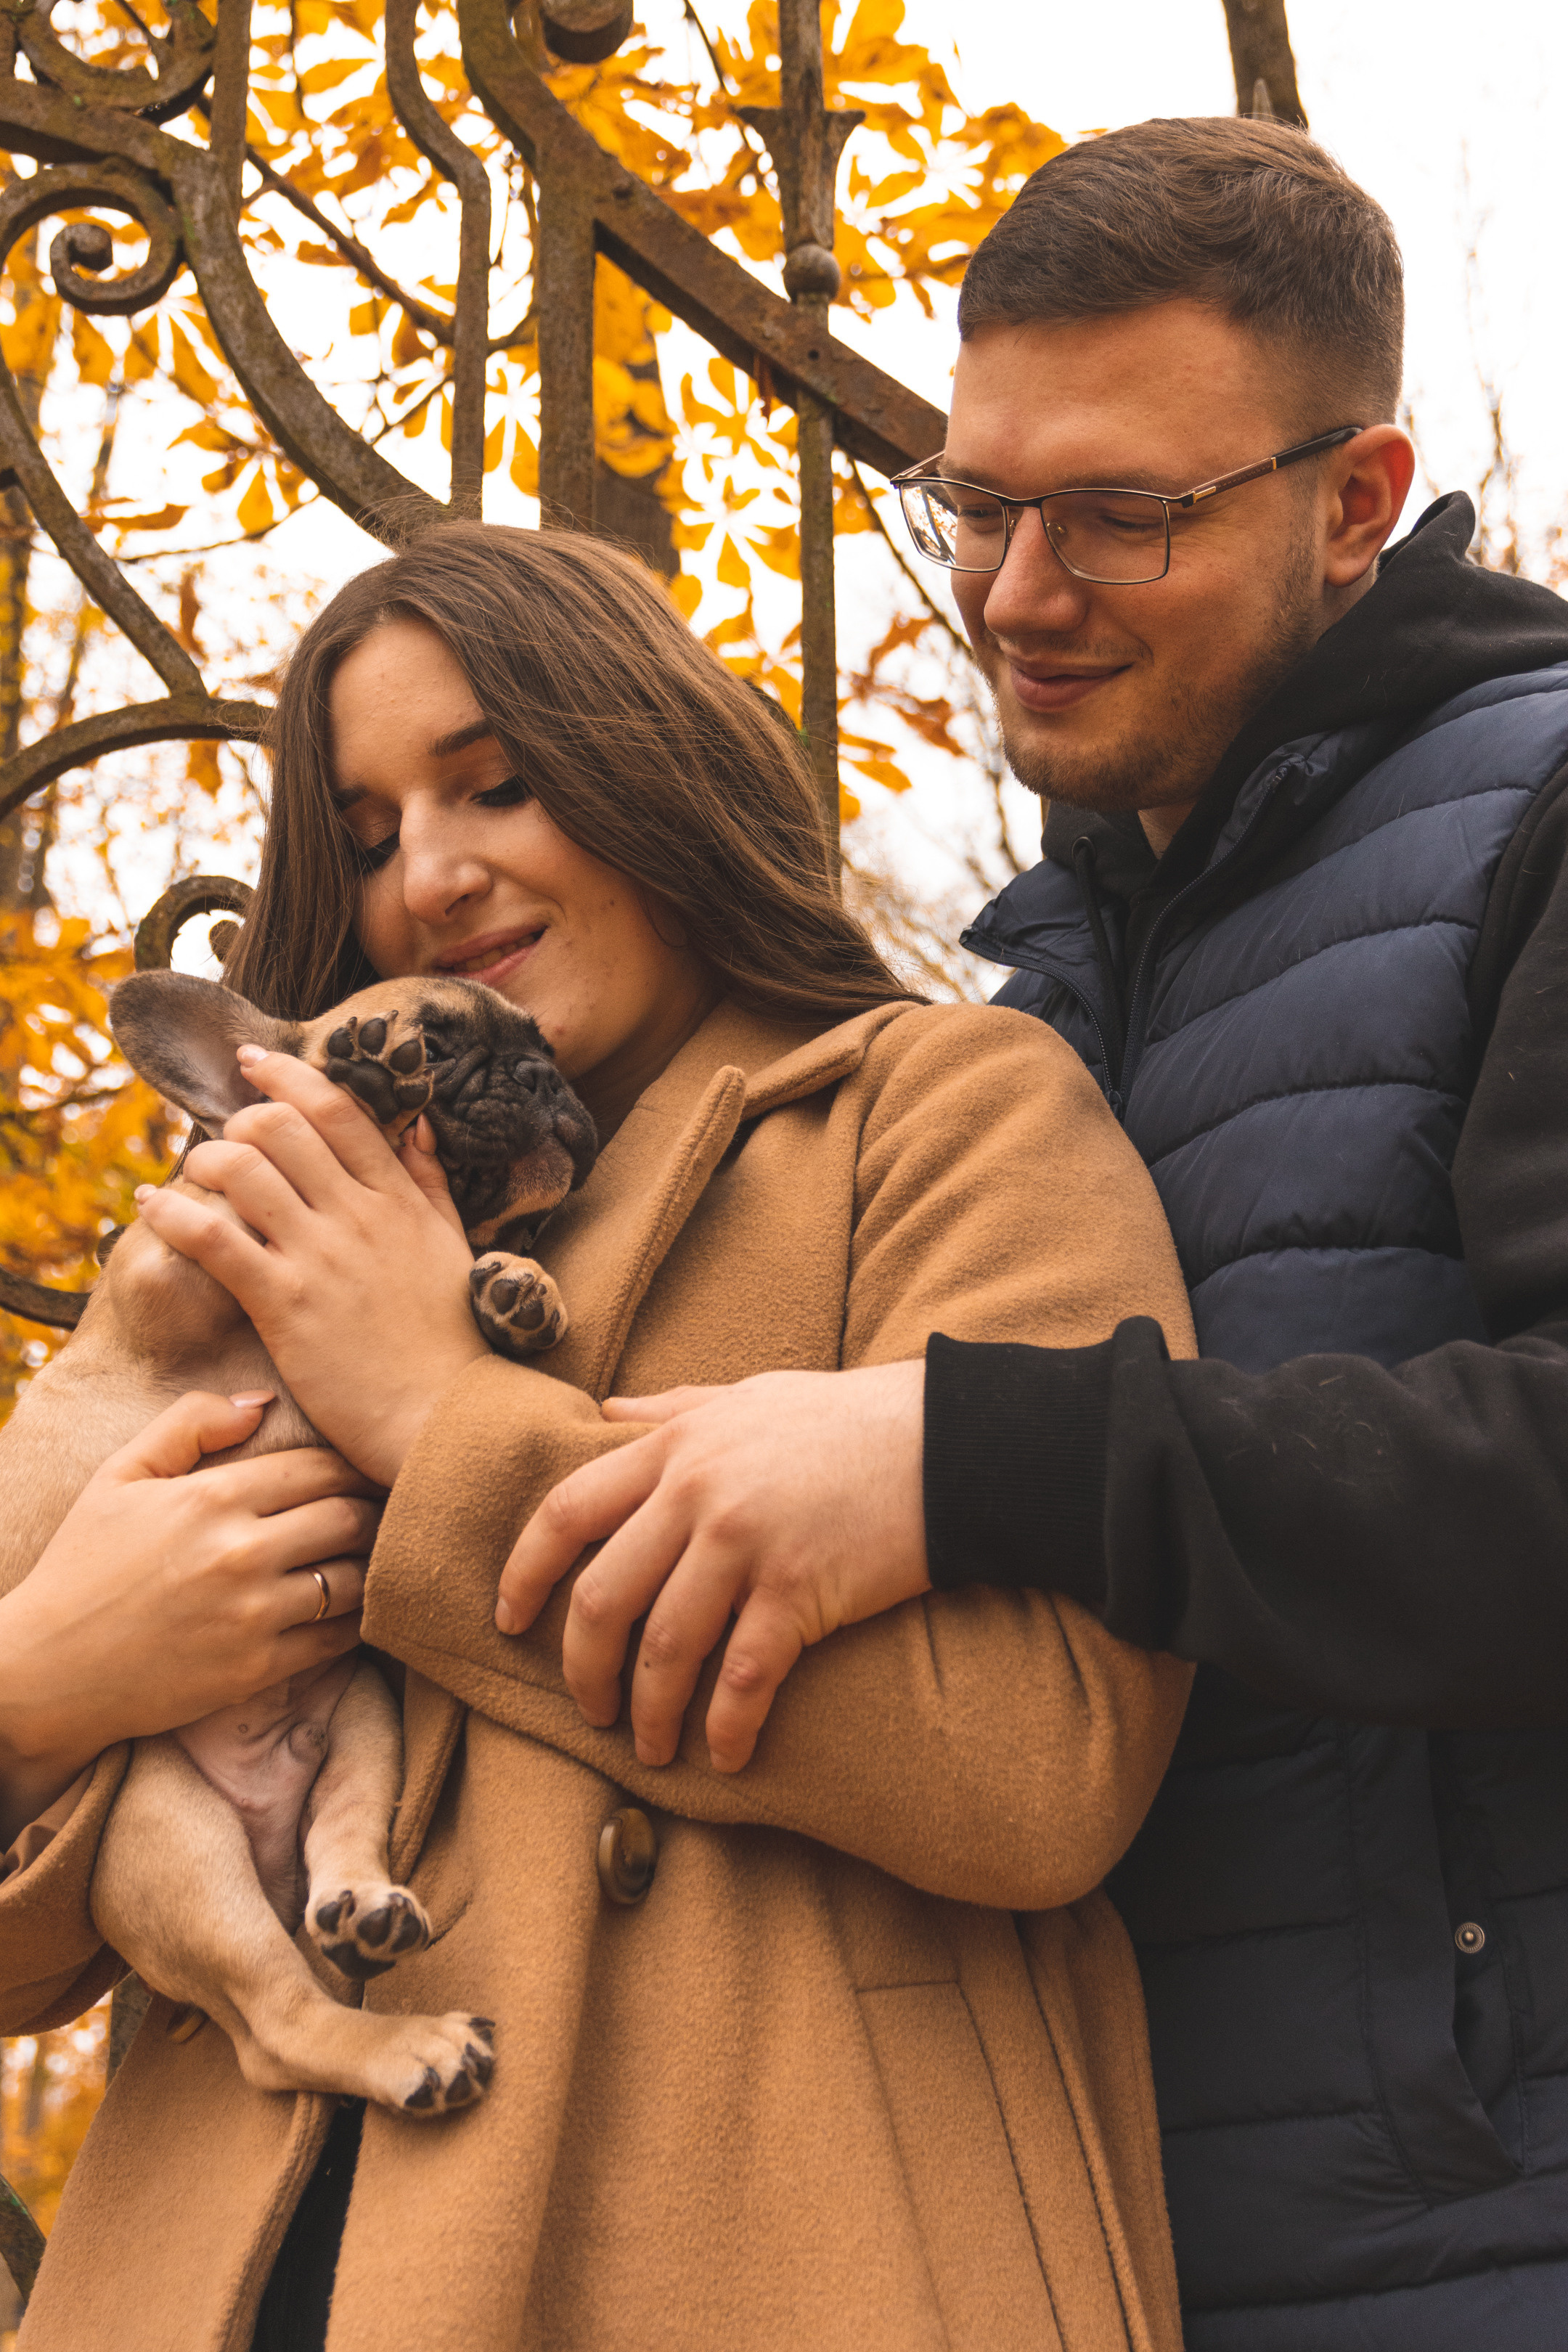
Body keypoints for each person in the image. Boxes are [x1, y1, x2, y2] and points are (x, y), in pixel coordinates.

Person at [507, 122, 1568, 2348]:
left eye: (1119, 517)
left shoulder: (1539, 819)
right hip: (1089, 2236)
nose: (1011, 591)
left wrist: (951, 1458)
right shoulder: (1047, 984)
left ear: (1356, 501)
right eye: (980, 505)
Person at [0, 523, 1197, 2351]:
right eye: (375, 832)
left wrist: (438, 1423)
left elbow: (1044, 1761)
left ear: (649, 755)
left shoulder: (942, 1112)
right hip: (232, 2268)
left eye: (497, 784)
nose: (437, 875)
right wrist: (43, 1689)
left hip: (767, 2250)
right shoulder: (262, 1233)